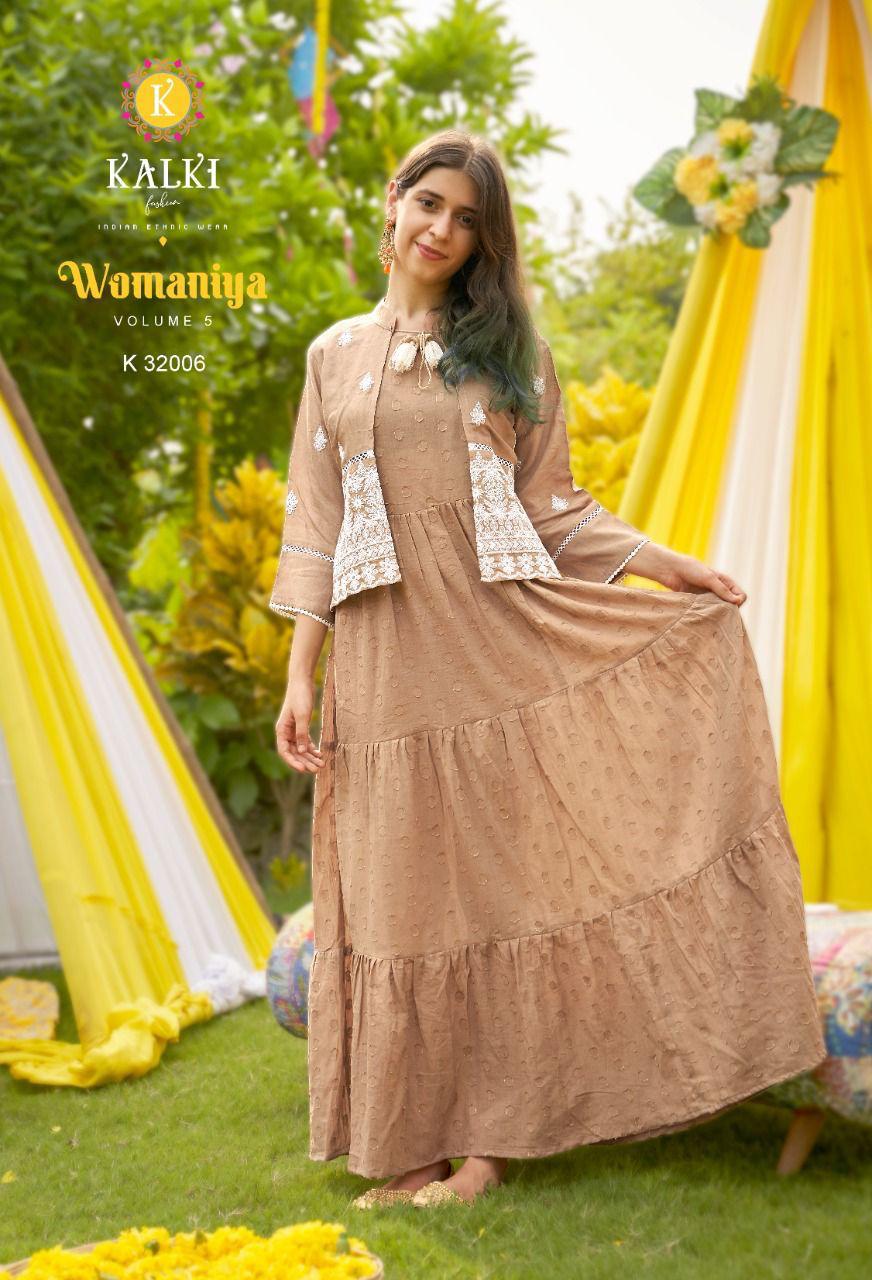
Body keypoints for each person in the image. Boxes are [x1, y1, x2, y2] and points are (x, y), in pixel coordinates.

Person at [272, 129, 826, 1209]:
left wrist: (664, 566)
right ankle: (409, 1146)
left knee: (496, 894)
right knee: (393, 898)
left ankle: (489, 1144)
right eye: (428, 203)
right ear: (392, 204)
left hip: (495, 652)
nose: (441, 229)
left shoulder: (509, 353)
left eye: (466, 218)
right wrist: (302, 675)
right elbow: (317, 525)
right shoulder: (331, 354)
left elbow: (553, 508)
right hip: (381, 665)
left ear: (485, 240)